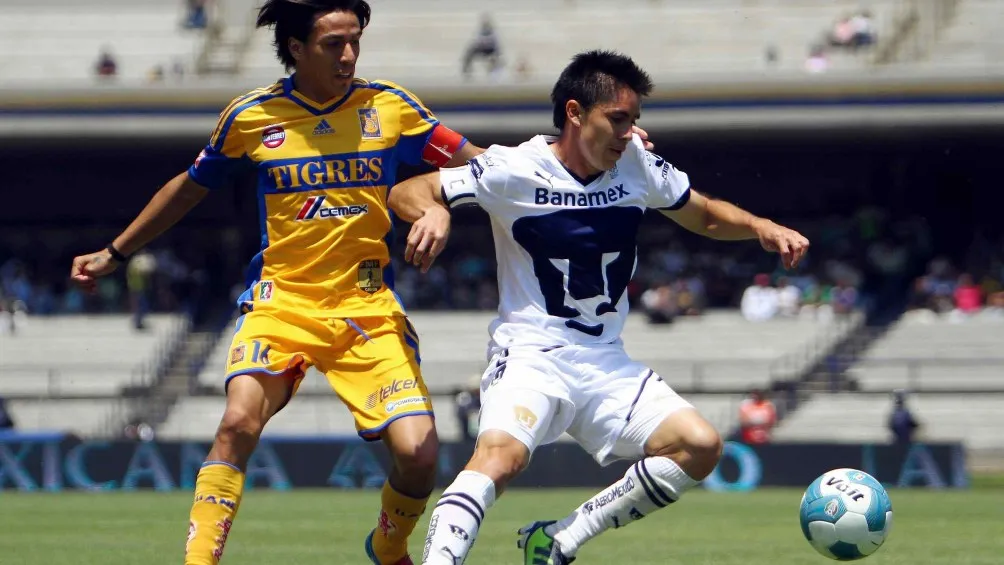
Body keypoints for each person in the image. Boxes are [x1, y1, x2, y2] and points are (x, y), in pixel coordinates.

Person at [68, 2, 482, 564]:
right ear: (296, 48)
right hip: (281, 300)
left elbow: (476, 162)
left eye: (355, 40)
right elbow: (189, 188)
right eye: (334, 43)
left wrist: (453, 200)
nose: (349, 54)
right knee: (237, 421)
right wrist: (117, 252)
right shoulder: (251, 116)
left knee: (420, 457)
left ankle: (388, 548)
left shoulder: (390, 106)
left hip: (365, 305)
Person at [389, 50, 810, 565]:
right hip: (531, 354)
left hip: (605, 359)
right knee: (500, 459)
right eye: (617, 119)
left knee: (699, 447)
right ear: (574, 112)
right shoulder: (514, 167)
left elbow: (703, 214)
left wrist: (761, 228)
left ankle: (558, 541)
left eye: (633, 121)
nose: (628, 133)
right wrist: (433, 211)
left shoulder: (637, 164)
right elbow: (410, 189)